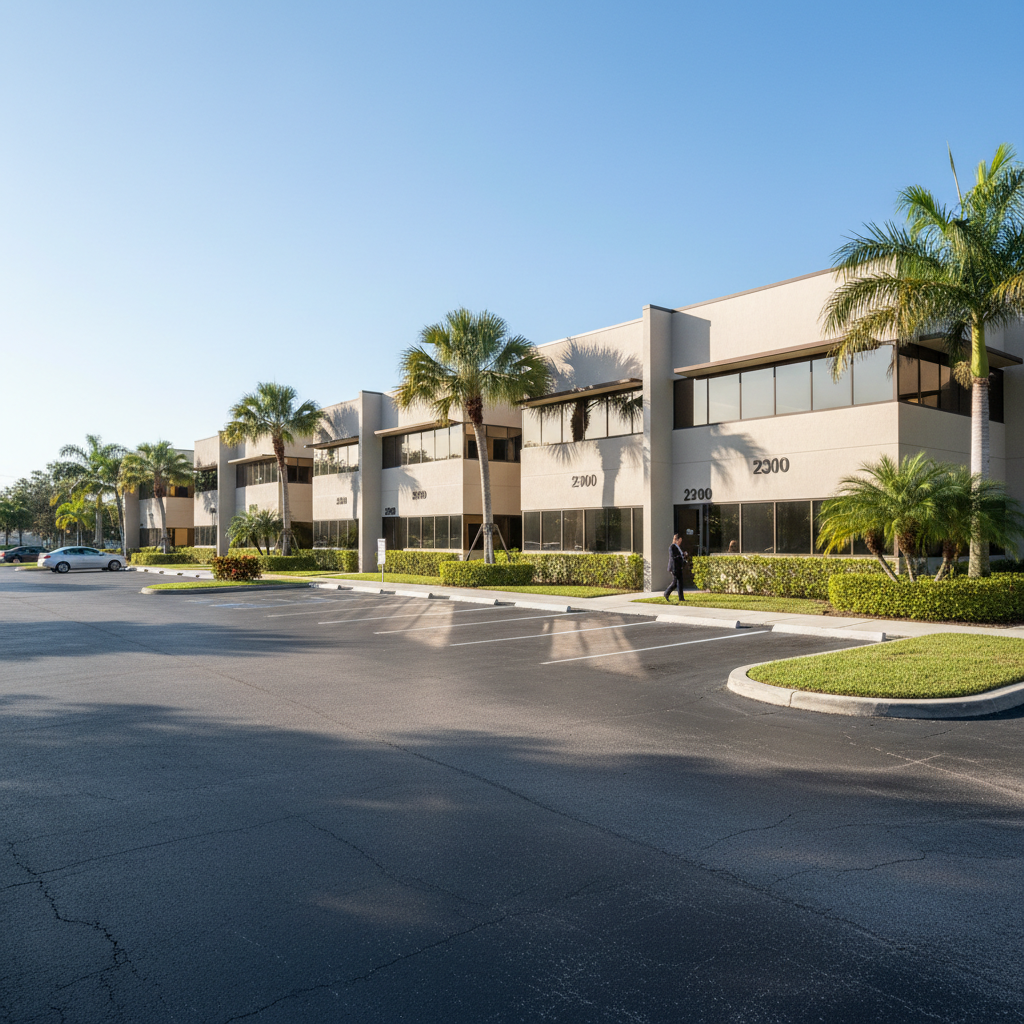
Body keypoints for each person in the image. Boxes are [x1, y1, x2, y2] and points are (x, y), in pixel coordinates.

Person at [664, 533, 688, 602]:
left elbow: (680, 556)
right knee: (677, 582)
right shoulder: (672, 547)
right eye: (679, 540)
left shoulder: (678, 547)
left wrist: (684, 555)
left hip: (679, 567)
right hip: (675, 567)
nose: (680, 541)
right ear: (676, 539)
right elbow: (673, 557)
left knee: (677, 583)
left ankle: (679, 597)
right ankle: (667, 593)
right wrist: (681, 555)